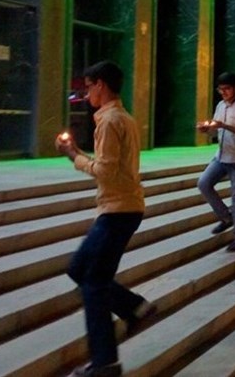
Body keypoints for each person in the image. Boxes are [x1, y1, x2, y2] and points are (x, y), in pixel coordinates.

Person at [55, 61, 155, 377]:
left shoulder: (110, 121)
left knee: (94, 283)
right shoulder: (123, 118)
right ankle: (133, 307)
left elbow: (106, 171)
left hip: (118, 210)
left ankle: (105, 363)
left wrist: (74, 156)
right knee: (78, 268)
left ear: (101, 84)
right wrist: (80, 152)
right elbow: (111, 165)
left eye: (88, 87)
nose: (87, 95)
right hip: (123, 207)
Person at [196, 72, 235, 252]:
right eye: (220, 90)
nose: (223, 93)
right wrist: (207, 130)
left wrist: (223, 125)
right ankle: (226, 217)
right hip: (221, 156)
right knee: (204, 183)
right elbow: (216, 131)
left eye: (227, 89)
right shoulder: (220, 105)